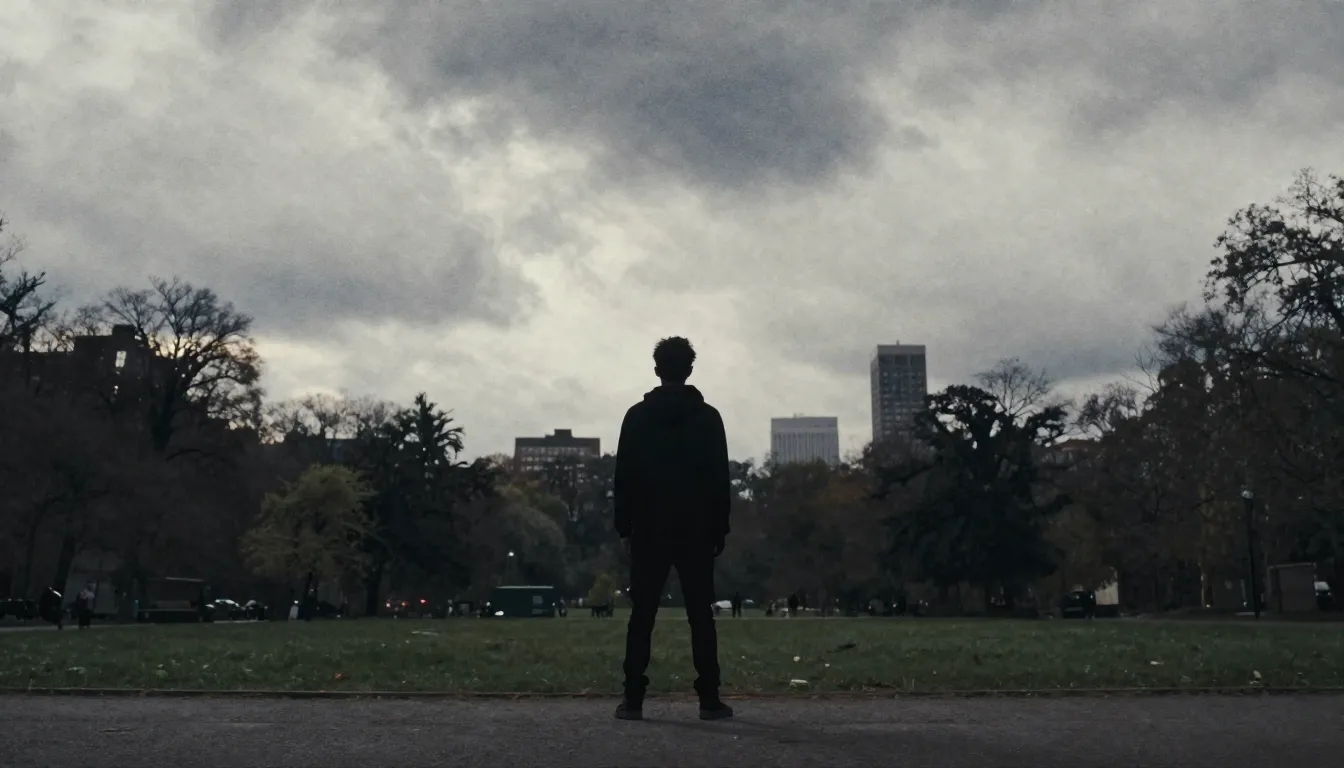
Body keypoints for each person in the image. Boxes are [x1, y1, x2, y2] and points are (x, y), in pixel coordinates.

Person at [613, 336, 734, 722]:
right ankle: (709, 698)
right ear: (690, 369)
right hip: (696, 526)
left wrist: (624, 525)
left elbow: (624, 475)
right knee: (701, 615)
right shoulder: (708, 418)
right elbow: (719, 477)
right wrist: (720, 527)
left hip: (650, 525)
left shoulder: (637, 417)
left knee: (642, 615)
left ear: (656, 370)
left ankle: (633, 698)